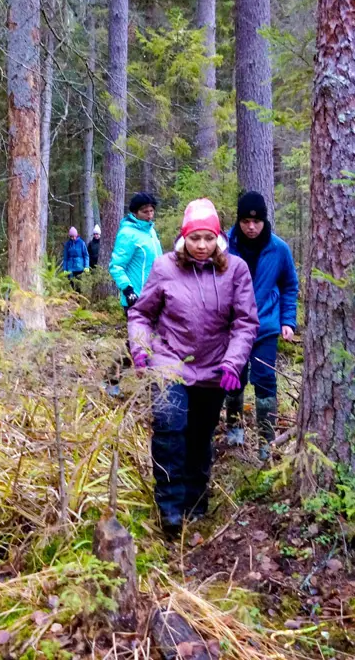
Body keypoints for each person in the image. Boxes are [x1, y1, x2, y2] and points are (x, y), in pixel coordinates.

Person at [128, 199, 259, 537]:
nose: (201, 246)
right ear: (184, 238)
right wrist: (141, 349)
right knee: (170, 431)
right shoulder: (164, 267)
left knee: (200, 436)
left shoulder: (235, 270)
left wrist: (233, 362)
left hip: (214, 368)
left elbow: (245, 323)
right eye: (195, 238)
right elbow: (142, 313)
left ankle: (196, 501)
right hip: (169, 363)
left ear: (218, 238)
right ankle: (169, 507)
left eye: (208, 238)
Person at [223, 191, 299, 458]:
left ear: (265, 221)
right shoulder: (225, 245)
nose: (251, 227)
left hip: (265, 326)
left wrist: (288, 320)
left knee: (265, 378)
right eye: (245, 221)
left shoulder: (279, 249)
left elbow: (289, 285)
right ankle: (233, 429)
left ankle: (267, 441)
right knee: (234, 377)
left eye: (256, 222)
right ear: (239, 221)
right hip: (232, 327)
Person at [109, 193, 163, 311]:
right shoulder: (127, 234)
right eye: (145, 212)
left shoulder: (151, 232)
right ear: (135, 212)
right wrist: (128, 290)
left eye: (151, 211)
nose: (149, 215)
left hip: (155, 296)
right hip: (136, 298)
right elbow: (116, 266)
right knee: (140, 330)